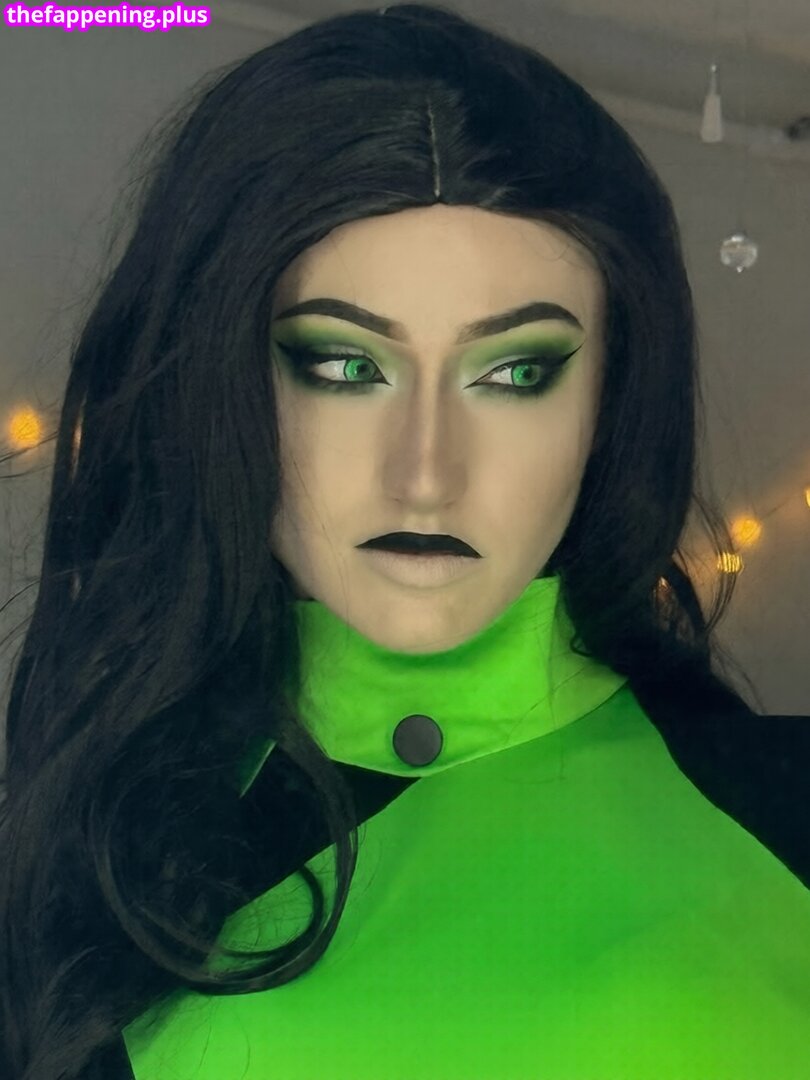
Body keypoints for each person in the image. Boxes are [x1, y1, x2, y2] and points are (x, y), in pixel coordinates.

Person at [1, 4, 808, 1078]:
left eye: (516, 371)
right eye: (344, 366)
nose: (425, 473)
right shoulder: (85, 854)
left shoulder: (777, 814)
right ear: (220, 381)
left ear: (611, 402)